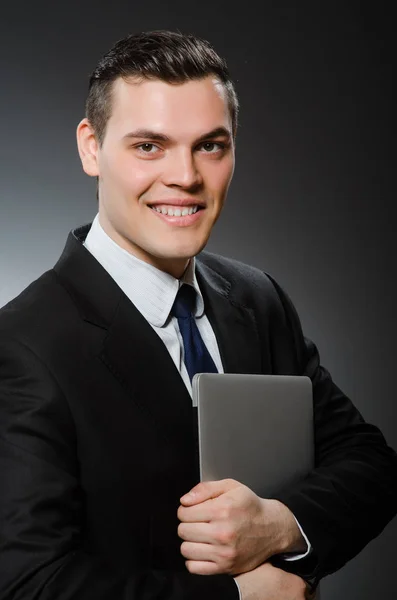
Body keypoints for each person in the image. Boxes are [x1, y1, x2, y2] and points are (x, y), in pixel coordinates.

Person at [0, 30, 396, 600]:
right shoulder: (22, 347)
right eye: (148, 146)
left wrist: (281, 525)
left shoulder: (258, 299)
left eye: (210, 145)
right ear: (91, 147)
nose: (185, 176)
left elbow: (371, 464)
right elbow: (28, 585)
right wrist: (239, 598)